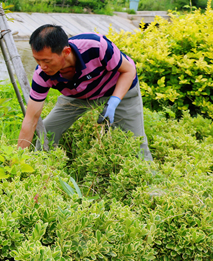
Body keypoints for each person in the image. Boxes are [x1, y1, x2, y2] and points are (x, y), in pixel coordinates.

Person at [17, 24, 152, 161]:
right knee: (47, 130)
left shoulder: (96, 47)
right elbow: (31, 119)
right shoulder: (42, 75)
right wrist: (17, 160)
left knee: (136, 142)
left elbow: (128, 70)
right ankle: (42, 165)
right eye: (37, 60)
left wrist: (114, 101)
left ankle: (148, 172)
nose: (42, 66)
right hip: (79, 95)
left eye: (47, 61)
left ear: (66, 52)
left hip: (118, 88)